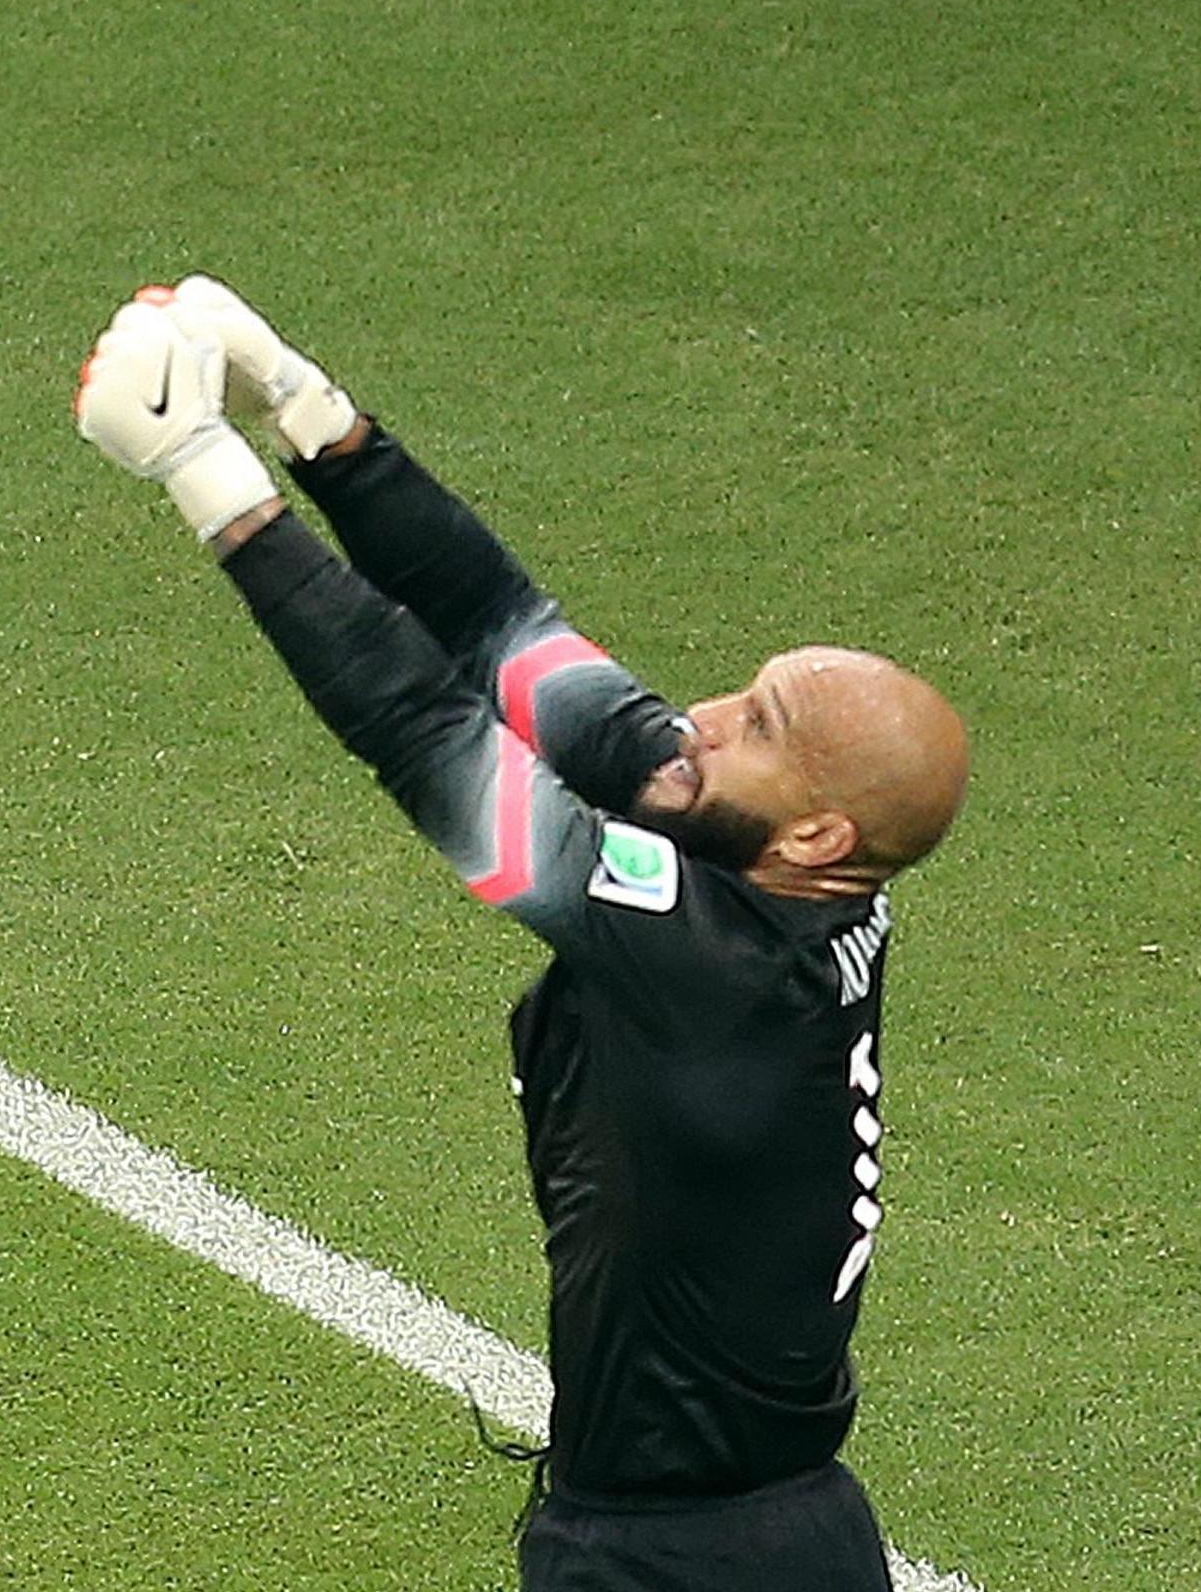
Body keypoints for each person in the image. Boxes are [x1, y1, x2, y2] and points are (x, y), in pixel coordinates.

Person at [73, 277, 968, 1592]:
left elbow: (438, 747)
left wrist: (208, 475)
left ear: (822, 838)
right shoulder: (775, 873)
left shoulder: (720, 971)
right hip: (778, 1534)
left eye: (759, 722)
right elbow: (506, 631)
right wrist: (311, 413)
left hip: (679, 1561)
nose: (702, 717)